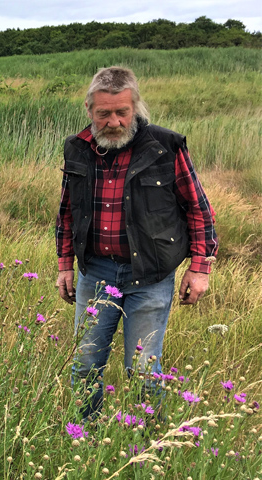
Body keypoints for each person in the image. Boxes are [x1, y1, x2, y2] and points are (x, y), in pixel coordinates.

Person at [55, 66, 218, 419]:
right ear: (89, 110)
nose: (113, 121)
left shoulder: (165, 146)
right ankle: (85, 437)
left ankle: (144, 446)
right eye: (103, 113)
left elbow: (199, 209)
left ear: (136, 108)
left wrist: (199, 269)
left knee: (143, 374)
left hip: (150, 276)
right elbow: (67, 212)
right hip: (95, 273)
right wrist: (64, 265)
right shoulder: (77, 149)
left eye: (121, 112)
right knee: (84, 367)